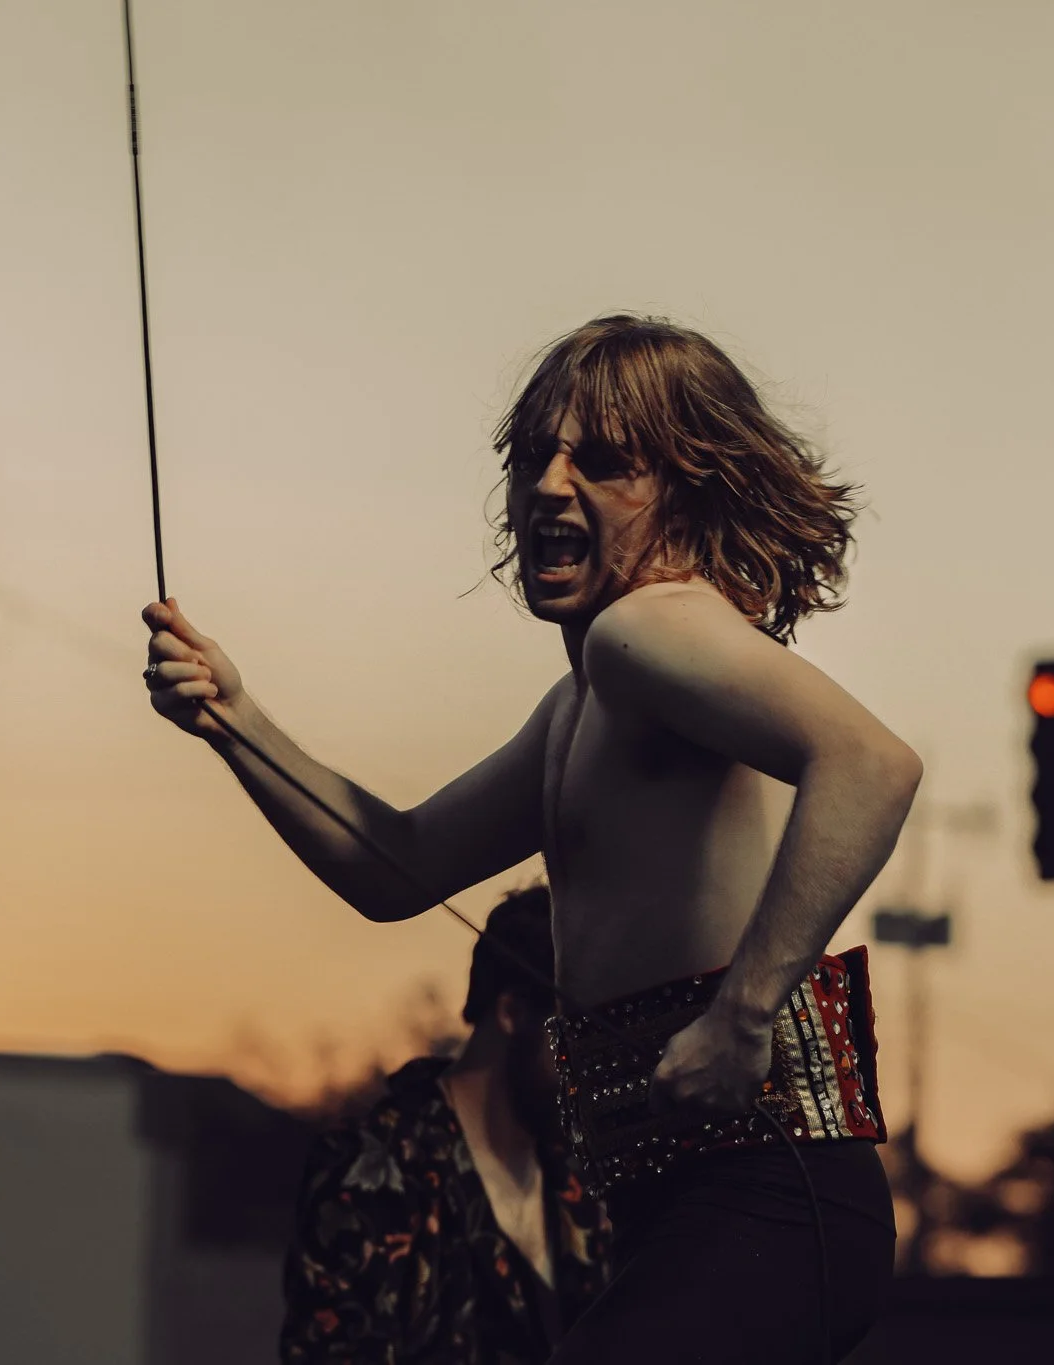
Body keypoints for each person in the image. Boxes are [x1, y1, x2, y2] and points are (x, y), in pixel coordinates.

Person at [143, 314, 922, 1362]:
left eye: (601, 462)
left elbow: (871, 764)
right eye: (533, 457)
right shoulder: (579, 704)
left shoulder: (647, 630)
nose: (549, 486)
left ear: (685, 486)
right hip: (693, 1206)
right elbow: (398, 867)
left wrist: (743, 1013)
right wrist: (234, 720)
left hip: (765, 1191)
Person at [279, 885, 612, 1362]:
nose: (597, 1068)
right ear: (514, 1012)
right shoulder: (373, 1169)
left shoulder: (579, 1182)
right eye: (581, 1036)